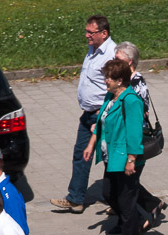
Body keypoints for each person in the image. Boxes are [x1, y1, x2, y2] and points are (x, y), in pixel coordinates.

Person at [51, 14, 117, 213]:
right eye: (86, 31)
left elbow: (118, 87)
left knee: (111, 159)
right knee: (81, 155)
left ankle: (118, 201)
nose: (87, 35)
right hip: (88, 115)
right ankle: (76, 199)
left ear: (104, 33)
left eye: (91, 32)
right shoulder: (92, 49)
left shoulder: (112, 54)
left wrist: (105, 112)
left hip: (103, 115)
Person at [82, 58, 145, 235]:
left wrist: (131, 160)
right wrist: (91, 145)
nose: (105, 81)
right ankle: (133, 221)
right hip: (111, 156)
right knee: (109, 193)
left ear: (120, 80)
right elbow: (101, 122)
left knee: (126, 199)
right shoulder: (111, 97)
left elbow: (134, 134)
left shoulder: (131, 101)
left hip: (125, 158)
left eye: (109, 78)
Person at [115, 41, 168, 231]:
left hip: (135, 140)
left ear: (129, 62)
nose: (114, 61)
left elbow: (136, 113)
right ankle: (130, 217)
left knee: (126, 183)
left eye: (118, 59)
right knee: (123, 182)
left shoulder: (136, 83)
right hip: (122, 139)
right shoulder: (123, 80)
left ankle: (147, 210)